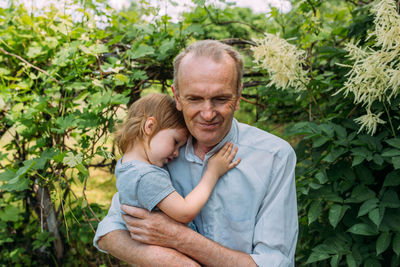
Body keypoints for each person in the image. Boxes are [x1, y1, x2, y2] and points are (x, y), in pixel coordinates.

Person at [94, 40, 298, 266]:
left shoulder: (274, 157)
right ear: (177, 97)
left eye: (221, 99)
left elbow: (276, 262)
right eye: (194, 99)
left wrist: (180, 238)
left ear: (239, 95)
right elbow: (109, 233)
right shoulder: (159, 153)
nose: (208, 114)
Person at [114, 93, 240, 228]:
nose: (176, 153)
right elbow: (185, 213)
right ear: (150, 126)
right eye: (175, 142)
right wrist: (213, 172)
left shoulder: (125, 166)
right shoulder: (145, 176)